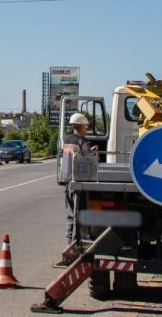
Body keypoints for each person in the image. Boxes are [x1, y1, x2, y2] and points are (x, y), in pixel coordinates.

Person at [57, 112, 98, 264]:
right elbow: (86, 160)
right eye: (85, 127)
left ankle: (69, 247)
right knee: (78, 216)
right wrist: (92, 152)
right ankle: (75, 249)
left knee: (70, 216)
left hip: (66, 180)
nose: (86, 129)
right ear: (80, 127)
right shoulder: (83, 142)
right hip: (77, 182)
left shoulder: (66, 140)